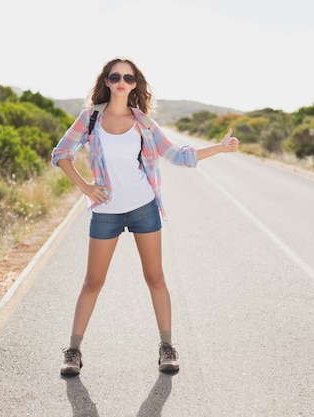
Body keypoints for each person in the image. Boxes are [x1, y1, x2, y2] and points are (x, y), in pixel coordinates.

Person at [51, 57, 239, 376]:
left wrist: (219, 149)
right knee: (93, 282)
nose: (122, 81)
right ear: (107, 81)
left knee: (155, 277)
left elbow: (178, 156)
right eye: (115, 76)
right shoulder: (90, 118)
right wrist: (85, 186)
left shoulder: (144, 123)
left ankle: (166, 348)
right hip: (106, 211)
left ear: (135, 83)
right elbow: (61, 154)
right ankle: (73, 351)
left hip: (143, 206)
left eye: (128, 77)